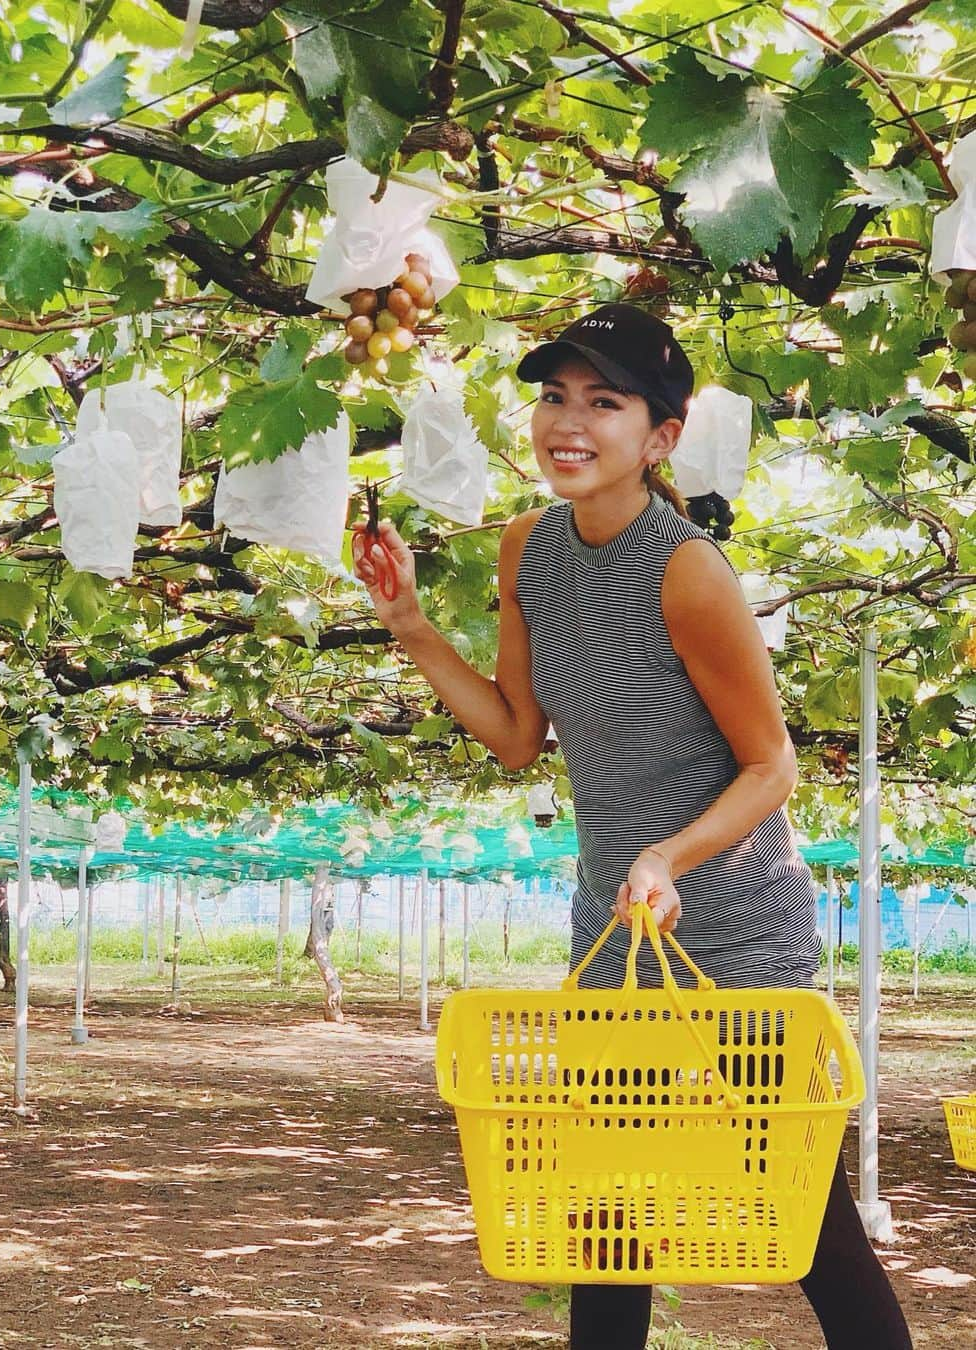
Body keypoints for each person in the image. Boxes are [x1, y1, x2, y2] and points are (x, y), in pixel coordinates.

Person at [351, 303, 913, 1350]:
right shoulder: (529, 547)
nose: (569, 422)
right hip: (618, 933)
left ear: (660, 437)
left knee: (807, 1217)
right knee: (605, 1220)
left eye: (604, 402)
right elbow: (520, 736)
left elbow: (770, 765)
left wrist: (668, 853)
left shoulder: (687, 570)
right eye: (555, 396)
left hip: (741, 936)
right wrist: (413, 627)